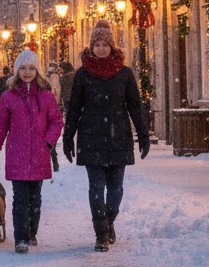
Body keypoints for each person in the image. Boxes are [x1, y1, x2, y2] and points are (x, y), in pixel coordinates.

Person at [62, 22, 150, 252]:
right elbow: (74, 108)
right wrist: (68, 136)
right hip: (91, 136)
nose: (101, 49)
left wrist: (143, 134)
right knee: (95, 187)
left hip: (118, 135)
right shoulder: (82, 74)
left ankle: (109, 219)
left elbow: (134, 105)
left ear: (112, 46)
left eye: (105, 44)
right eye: (97, 44)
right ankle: (101, 233)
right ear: (91, 47)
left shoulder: (124, 73)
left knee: (116, 189)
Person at [0, 49, 64, 252]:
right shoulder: (8, 97)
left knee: (34, 198)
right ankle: (21, 238)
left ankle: (31, 233)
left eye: (31, 68)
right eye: (23, 68)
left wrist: (48, 142)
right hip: (17, 154)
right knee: (20, 199)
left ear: (37, 71)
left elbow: (56, 121)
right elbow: (0, 128)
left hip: (39, 155)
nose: (27, 72)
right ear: (16, 71)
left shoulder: (46, 97)